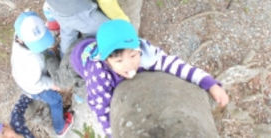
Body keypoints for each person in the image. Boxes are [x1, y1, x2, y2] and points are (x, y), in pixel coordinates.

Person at [70, 19, 229, 137]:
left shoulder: (146, 53)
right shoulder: (98, 74)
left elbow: (176, 66)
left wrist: (210, 84)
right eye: (119, 61)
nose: (129, 65)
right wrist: (112, 134)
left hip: (97, 45)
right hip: (77, 58)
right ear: (107, 61)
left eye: (133, 55)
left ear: (139, 48)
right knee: (75, 83)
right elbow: (101, 108)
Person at [11, 11, 74, 137]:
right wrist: (52, 84)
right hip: (34, 86)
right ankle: (60, 128)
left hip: (25, 76)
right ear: (22, 40)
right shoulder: (30, 62)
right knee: (56, 100)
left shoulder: (20, 34)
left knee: (49, 55)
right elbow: (37, 82)